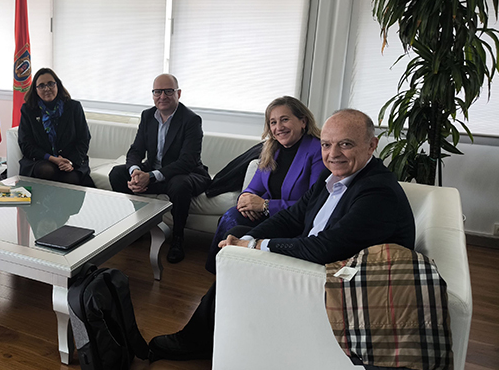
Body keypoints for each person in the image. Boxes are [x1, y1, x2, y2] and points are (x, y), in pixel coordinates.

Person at [147, 109, 416, 362]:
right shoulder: (338, 178)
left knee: (245, 258)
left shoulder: (376, 193)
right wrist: (246, 241)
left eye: (345, 144)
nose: (333, 153)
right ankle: (218, 329)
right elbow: (293, 216)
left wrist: (255, 246)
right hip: (322, 259)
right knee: (239, 235)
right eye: (326, 144)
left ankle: (196, 340)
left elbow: (324, 248)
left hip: (340, 281)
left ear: (371, 145)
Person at [205, 96, 326, 273]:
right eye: (273, 122)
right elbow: (253, 187)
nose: (278, 127)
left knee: (236, 227)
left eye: (284, 119)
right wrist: (245, 199)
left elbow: (314, 204)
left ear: (303, 121)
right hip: (268, 216)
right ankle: (220, 272)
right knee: (232, 216)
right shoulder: (272, 148)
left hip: (294, 223)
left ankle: (229, 273)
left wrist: (265, 205)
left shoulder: (317, 151)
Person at [109, 74, 211, 264]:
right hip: (154, 173)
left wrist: (151, 176)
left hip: (184, 174)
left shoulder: (191, 120)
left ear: (178, 93)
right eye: (157, 91)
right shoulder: (148, 116)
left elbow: (187, 161)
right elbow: (136, 150)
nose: (162, 96)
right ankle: (135, 228)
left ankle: (178, 239)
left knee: (180, 185)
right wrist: (135, 173)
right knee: (117, 174)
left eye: (168, 91)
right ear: (153, 94)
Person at [17, 68, 94, 186]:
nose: (47, 88)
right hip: (41, 159)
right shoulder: (28, 110)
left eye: (50, 84)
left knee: (71, 178)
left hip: (70, 159)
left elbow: (83, 139)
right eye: (41, 86)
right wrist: (52, 159)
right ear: (35, 90)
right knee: (46, 170)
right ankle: (42, 204)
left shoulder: (74, 107)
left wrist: (71, 162)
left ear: (57, 85)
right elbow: (26, 144)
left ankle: (63, 205)